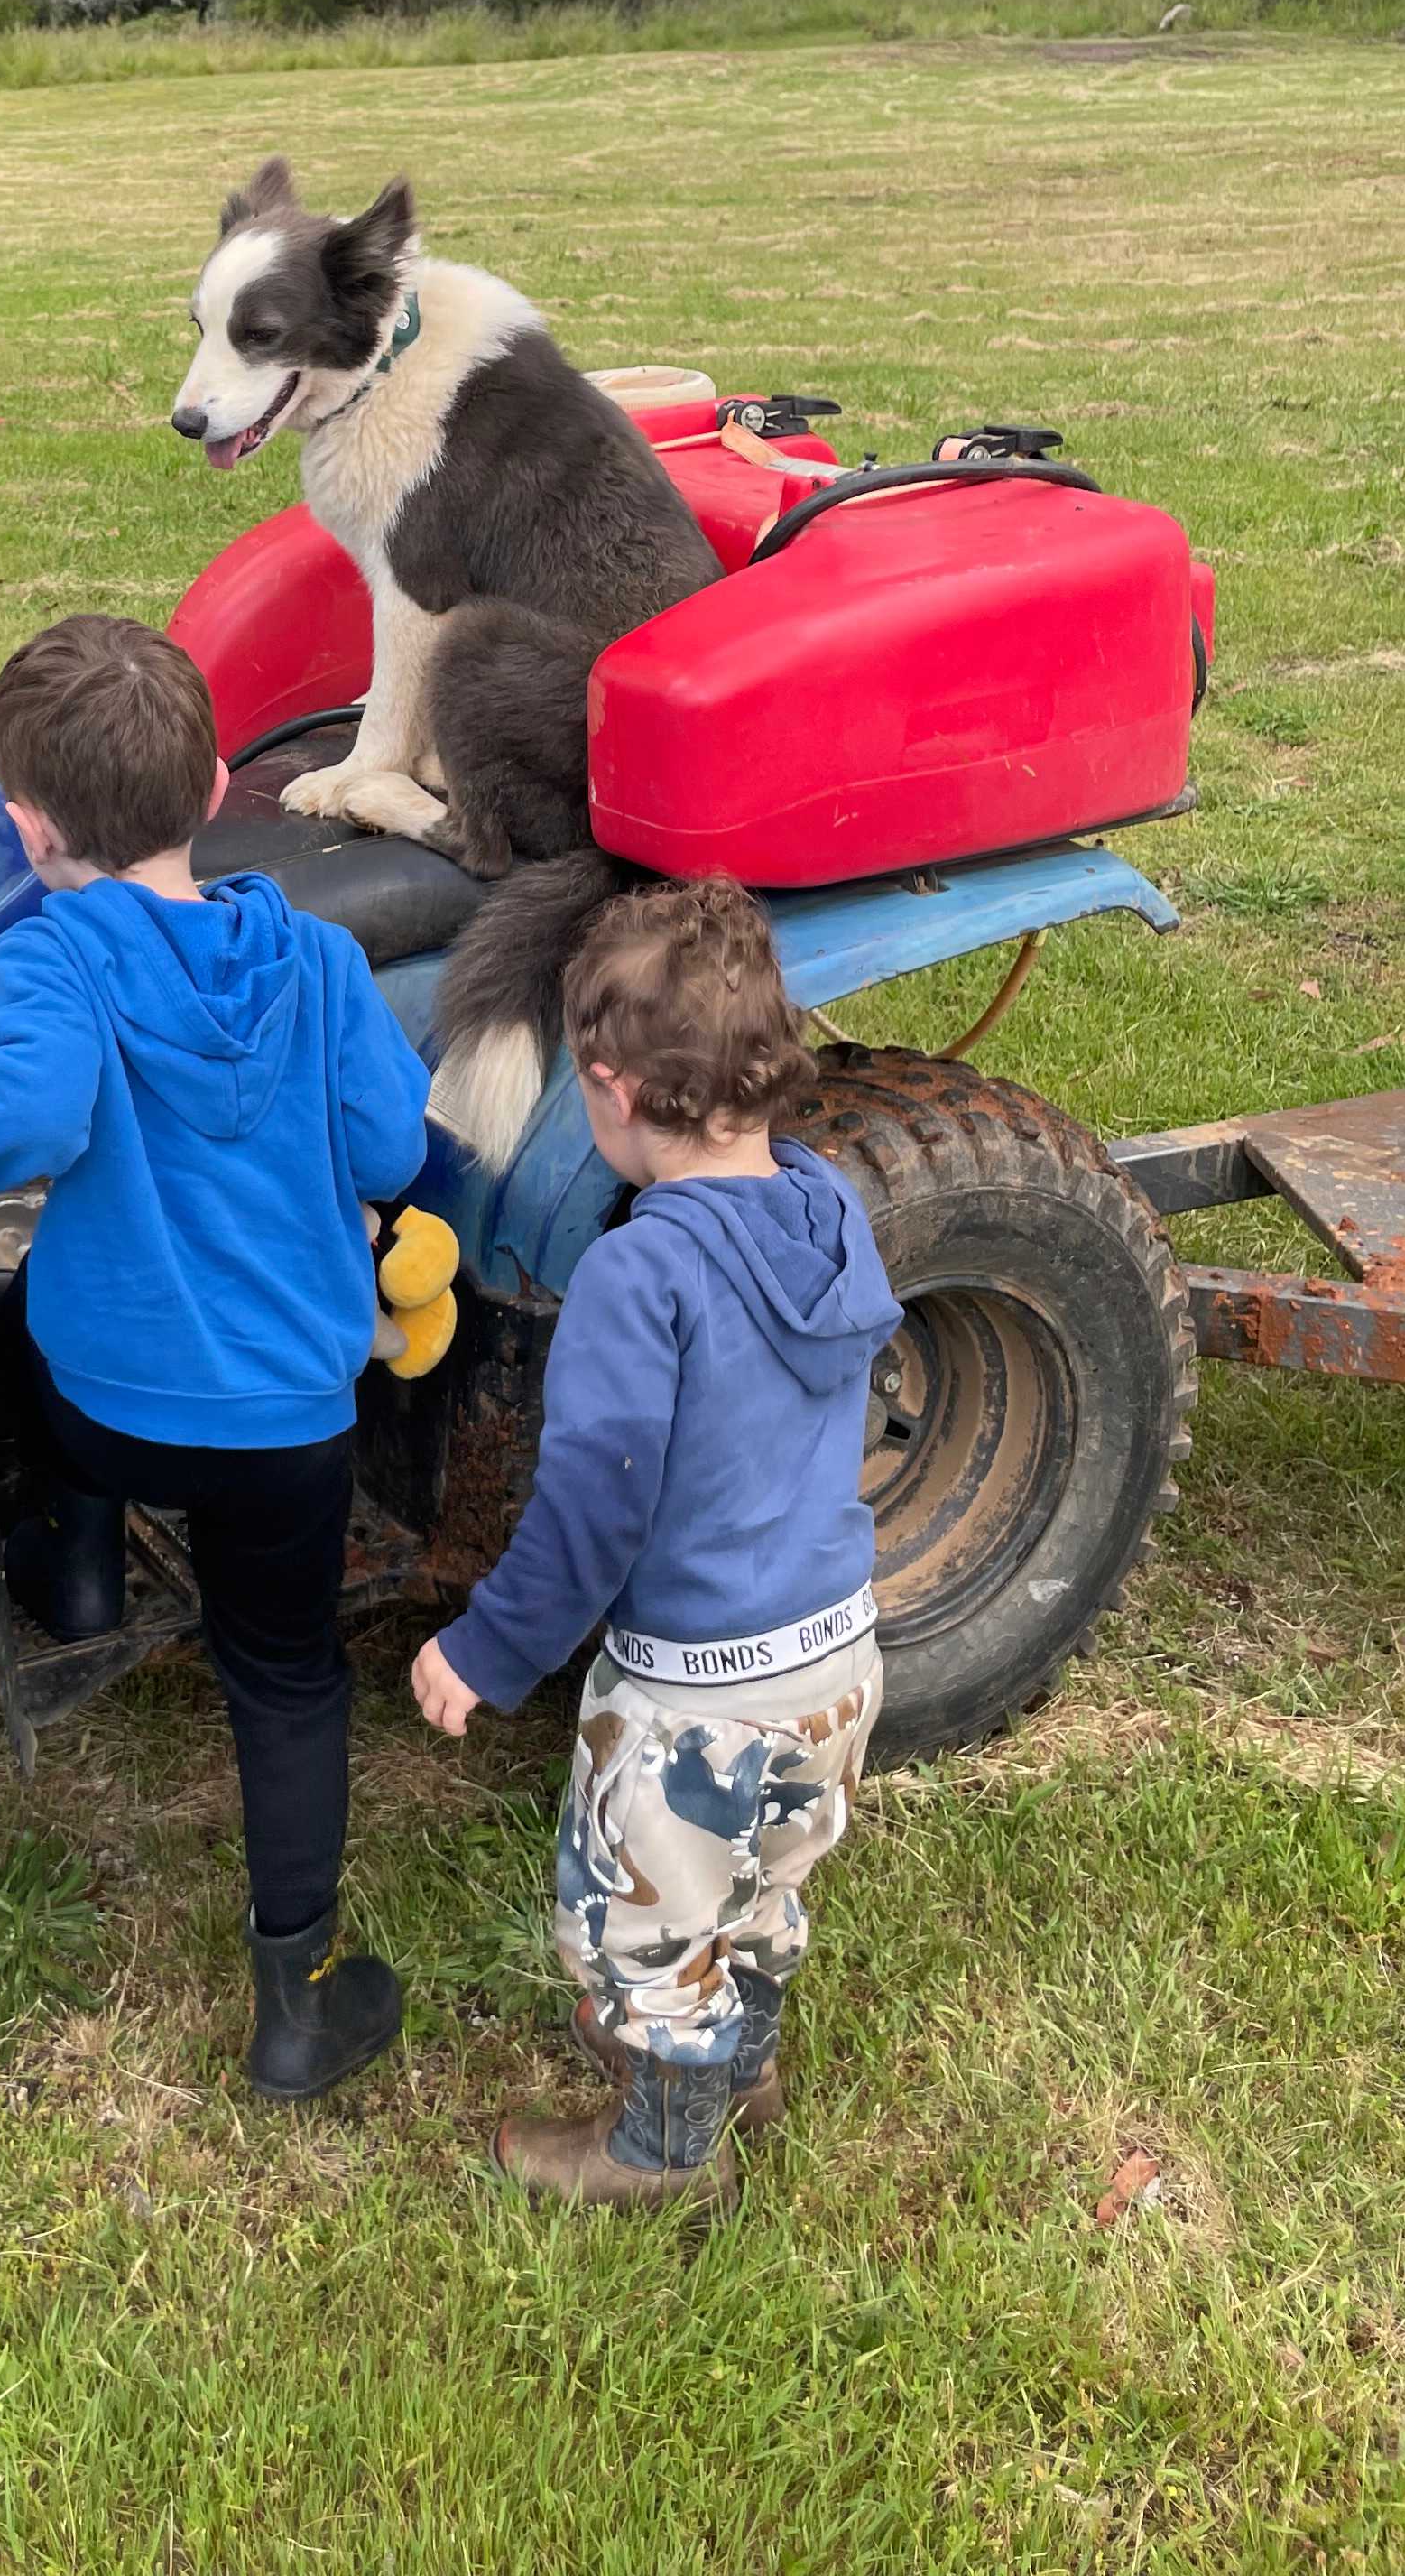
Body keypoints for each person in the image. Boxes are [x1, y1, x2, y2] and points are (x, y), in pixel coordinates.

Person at [0, 612, 432, 2100]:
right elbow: (394, 1145)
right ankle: (300, 1998)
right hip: (287, 1427)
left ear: (26, 826)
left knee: (7, 1329)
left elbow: (21, 1127)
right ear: (219, 784)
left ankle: (74, 1566)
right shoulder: (322, 962)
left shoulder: (52, 955)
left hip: (114, 1416)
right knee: (286, 1679)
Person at [409, 877, 900, 2213]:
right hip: (838, 1654)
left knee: (648, 1910)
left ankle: (662, 2153)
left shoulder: (640, 1272)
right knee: (762, 1877)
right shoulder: (828, 1207)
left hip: (704, 1683)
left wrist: (489, 1646)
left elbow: (596, 1503)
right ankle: (741, 2063)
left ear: (613, 1089)